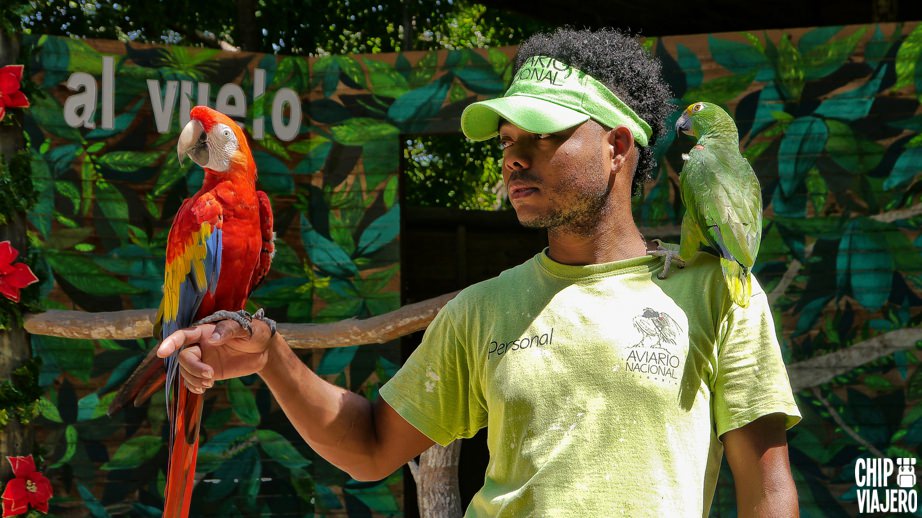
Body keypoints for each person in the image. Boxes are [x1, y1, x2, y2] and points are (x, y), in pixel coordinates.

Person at [157, 27, 802, 517]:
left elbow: (768, 490)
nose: (514, 158)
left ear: (617, 146)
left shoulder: (719, 293)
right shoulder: (483, 307)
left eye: (544, 135)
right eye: (506, 141)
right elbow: (373, 444)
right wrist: (272, 356)